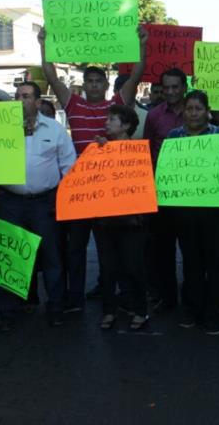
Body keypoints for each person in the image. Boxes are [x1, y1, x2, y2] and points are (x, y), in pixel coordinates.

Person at [39, 27, 146, 313]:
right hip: (79, 191)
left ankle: (115, 293)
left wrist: (140, 45)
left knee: (109, 248)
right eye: (91, 81)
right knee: (75, 249)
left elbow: (137, 74)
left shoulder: (116, 104)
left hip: (108, 192)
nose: (95, 85)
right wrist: (43, 43)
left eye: (100, 81)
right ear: (83, 85)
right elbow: (49, 74)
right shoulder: (72, 103)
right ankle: (75, 298)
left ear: (107, 84)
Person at [0, 81, 75, 330]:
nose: (20, 100)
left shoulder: (54, 130)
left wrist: (64, 201)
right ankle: (8, 314)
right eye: (17, 96)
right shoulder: (1, 131)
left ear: (37, 101)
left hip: (45, 203)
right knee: (9, 260)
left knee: (52, 257)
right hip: (9, 202)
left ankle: (56, 308)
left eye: (25, 96)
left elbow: (69, 168)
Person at [166, 90, 219, 335]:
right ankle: (193, 308)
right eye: (189, 108)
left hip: (216, 212)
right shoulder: (173, 137)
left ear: (207, 111)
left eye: (198, 108)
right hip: (185, 212)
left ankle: (217, 314)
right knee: (191, 262)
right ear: (184, 111)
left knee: (216, 263)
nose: (193, 113)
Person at [92, 105, 150, 331]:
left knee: (133, 266)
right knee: (107, 268)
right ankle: (109, 310)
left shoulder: (137, 151)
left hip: (132, 222)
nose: (106, 123)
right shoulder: (97, 149)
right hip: (105, 219)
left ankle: (140, 310)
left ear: (126, 125)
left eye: (112, 119)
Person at [143, 67, 188, 311]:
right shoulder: (154, 116)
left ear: (184, 88)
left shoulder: (196, 112)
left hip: (194, 194)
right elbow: (148, 150)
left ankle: (191, 297)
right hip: (162, 194)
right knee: (163, 250)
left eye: (175, 87)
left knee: (192, 249)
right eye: (166, 87)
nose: (170, 92)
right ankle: (167, 298)